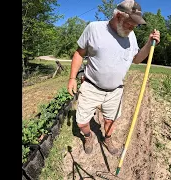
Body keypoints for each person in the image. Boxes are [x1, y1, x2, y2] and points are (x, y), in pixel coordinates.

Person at [67, 0, 160, 155]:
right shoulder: (94, 28)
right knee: (82, 122)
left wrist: (149, 43)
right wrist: (71, 78)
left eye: (135, 25)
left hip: (115, 91)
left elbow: (136, 59)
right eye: (130, 24)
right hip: (91, 86)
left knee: (110, 121)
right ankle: (88, 137)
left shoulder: (131, 36)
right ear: (118, 16)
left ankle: (107, 138)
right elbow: (79, 53)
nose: (132, 28)